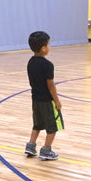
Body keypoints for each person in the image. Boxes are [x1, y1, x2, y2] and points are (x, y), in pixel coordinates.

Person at [24, 31, 64, 161]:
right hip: (47, 101)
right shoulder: (48, 65)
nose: (49, 47)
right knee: (52, 127)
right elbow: (51, 85)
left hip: (35, 100)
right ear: (43, 48)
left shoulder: (30, 62)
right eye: (48, 44)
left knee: (37, 124)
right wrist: (57, 101)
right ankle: (46, 150)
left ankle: (31, 146)